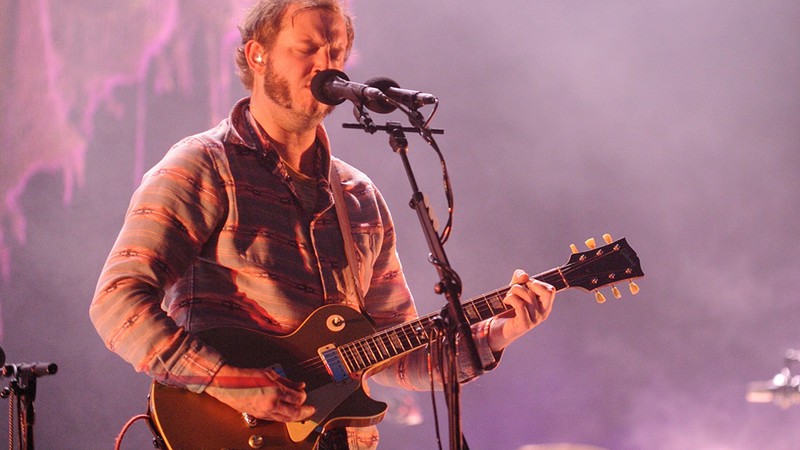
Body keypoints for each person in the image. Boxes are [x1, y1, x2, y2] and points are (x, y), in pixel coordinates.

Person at [89, 1, 556, 448]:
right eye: (306, 49)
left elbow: (400, 355)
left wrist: (496, 334)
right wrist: (229, 383)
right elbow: (117, 303)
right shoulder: (202, 167)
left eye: (335, 52)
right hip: (227, 432)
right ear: (258, 54)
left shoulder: (358, 197)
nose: (325, 65)